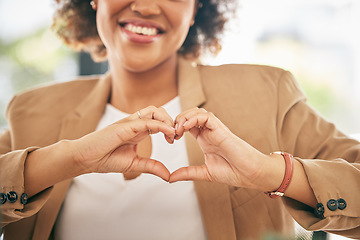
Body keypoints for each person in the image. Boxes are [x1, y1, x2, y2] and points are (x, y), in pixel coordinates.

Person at [1, 0, 360, 239]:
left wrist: (270, 173)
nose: (144, 5)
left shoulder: (266, 93)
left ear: (195, 8)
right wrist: (68, 159)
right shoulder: (31, 109)